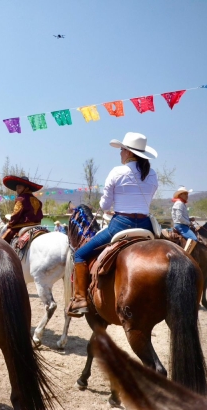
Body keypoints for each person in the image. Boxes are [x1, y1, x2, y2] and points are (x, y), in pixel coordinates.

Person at [67, 132, 158, 317]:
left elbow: (105, 205)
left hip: (121, 224)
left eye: (122, 149)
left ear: (128, 152)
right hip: (147, 225)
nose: (120, 153)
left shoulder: (117, 172)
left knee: (80, 254)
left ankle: (80, 298)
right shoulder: (152, 174)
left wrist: (105, 206)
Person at [1, 176, 44, 243]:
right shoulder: (38, 201)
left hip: (24, 225)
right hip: (38, 225)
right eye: (16, 188)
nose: (17, 190)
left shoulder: (21, 199)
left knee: (3, 240)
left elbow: (16, 214)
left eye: (19, 188)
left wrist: (10, 224)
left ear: (26, 188)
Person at [171, 186, 197, 253]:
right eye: (185, 194)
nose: (187, 196)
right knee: (194, 239)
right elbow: (179, 218)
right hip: (180, 225)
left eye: (187, 194)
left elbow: (182, 217)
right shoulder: (179, 204)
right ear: (180, 195)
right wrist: (189, 222)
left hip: (182, 224)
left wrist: (189, 219)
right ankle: (186, 255)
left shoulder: (182, 203)